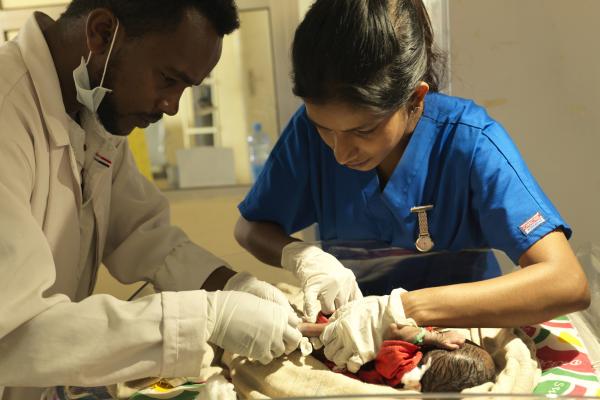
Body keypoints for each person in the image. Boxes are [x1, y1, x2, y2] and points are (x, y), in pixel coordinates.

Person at [234, 0, 590, 372]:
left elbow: (566, 282)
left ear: (415, 100)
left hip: (461, 340)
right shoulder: (308, 136)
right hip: (354, 340)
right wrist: (304, 257)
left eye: (363, 130)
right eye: (325, 128)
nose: (340, 153)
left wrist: (402, 310)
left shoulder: (469, 141)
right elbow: (250, 227)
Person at [0, 1, 301, 399]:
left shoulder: (91, 111)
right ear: (103, 33)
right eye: (167, 79)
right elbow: (15, 330)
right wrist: (207, 319)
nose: (171, 106)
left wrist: (237, 288)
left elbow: (143, 234)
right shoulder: (8, 110)